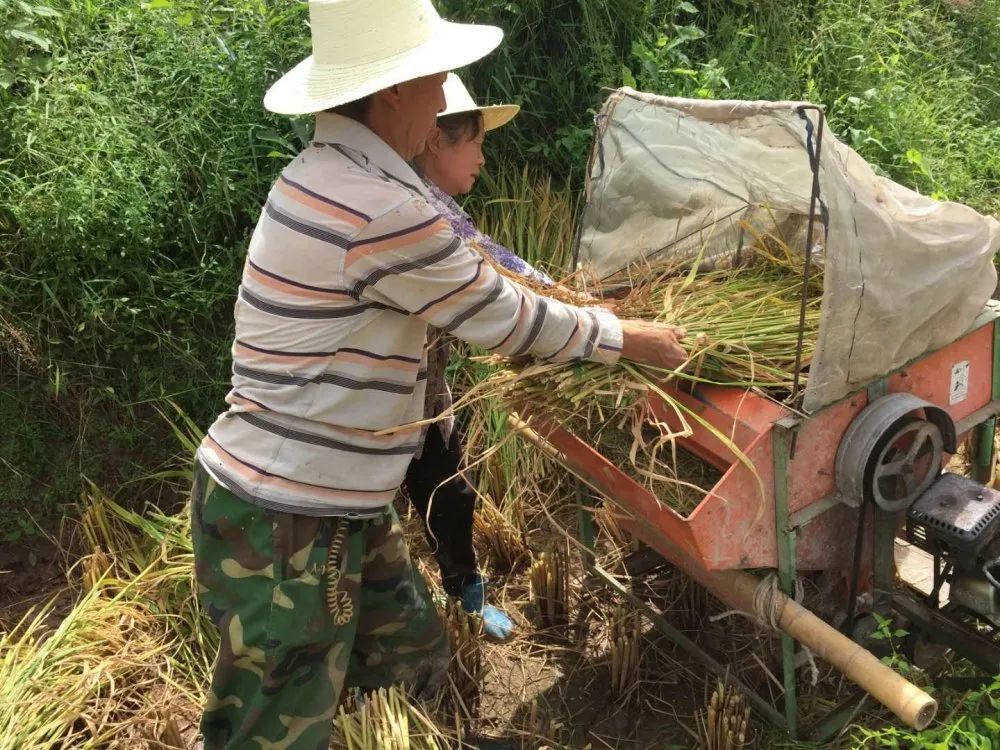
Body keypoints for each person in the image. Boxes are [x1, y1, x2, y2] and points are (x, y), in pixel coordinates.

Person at [190, 1, 687, 747]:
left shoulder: (326, 171)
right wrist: (629, 338)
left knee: (409, 649)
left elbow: (495, 286)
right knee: (269, 728)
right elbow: (509, 317)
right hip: (290, 519)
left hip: (329, 503)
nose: (447, 87)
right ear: (394, 89)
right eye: (439, 73)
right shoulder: (379, 206)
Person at [405, 74, 566, 643]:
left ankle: (467, 597)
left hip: (422, 396)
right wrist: (586, 307)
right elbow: (497, 277)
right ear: (434, 140)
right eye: (473, 141)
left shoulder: (426, 199)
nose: (482, 157)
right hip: (385, 409)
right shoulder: (421, 212)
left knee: (450, 496)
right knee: (409, 508)